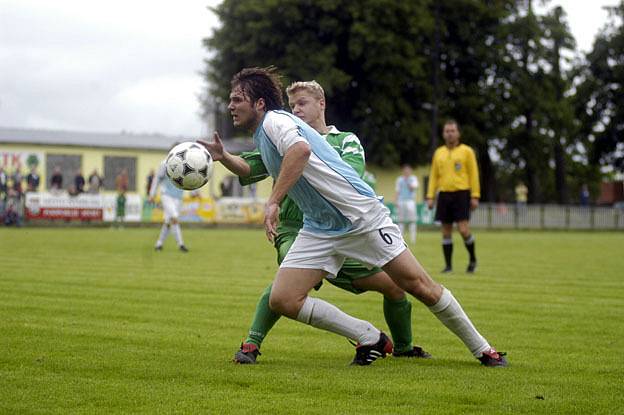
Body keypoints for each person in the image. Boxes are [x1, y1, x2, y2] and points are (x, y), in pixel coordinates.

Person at [199, 67, 507, 367]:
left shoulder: (276, 122)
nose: (230, 106)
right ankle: (368, 336)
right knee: (282, 298)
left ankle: (484, 350)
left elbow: (301, 151)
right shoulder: (265, 135)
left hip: (361, 218)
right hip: (320, 228)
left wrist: (273, 202)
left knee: (419, 286)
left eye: (237, 99)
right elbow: (257, 166)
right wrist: (223, 156)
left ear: (260, 103)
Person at [224, 80, 430, 364]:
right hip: (298, 231)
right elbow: (248, 167)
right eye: (292, 105)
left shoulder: (345, 141)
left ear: (321, 104)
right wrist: (222, 156)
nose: (296, 109)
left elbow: (349, 177)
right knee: (286, 282)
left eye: (302, 103)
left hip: (345, 233)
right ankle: (251, 344)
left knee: (395, 286)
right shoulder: (281, 137)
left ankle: (402, 348)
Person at [426, 120, 480, 274]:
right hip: (444, 195)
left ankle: (473, 259)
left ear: (458, 133)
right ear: (443, 134)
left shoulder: (467, 151)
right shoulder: (439, 153)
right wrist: (430, 196)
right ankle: (448, 266)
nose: (449, 133)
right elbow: (433, 176)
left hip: (461, 193)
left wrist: (475, 195)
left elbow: (474, 174)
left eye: (452, 131)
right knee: (446, 231)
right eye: (447, 131)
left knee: (463, 230)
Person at [149, 153, 188, 252]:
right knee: (174, 217)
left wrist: (195, 192)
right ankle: (181, 244)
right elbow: (157, 178)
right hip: (166, 195)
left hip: (178, 197)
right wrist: (152, 194)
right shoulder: (164, 164)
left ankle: (159, 244)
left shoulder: (186, 164)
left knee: (168, 221)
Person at [395, 165, 419, 244]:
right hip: (401, 201)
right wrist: (396, 201)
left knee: (412, 220)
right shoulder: (399, 179)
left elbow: (413, 188)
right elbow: (397, 191)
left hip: (410, 201)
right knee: (400, 220)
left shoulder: (413, 179)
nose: (406, 172)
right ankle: (400, 238)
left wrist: (407, 181)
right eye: (405, 171)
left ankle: (413, 239)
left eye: (408, 171)